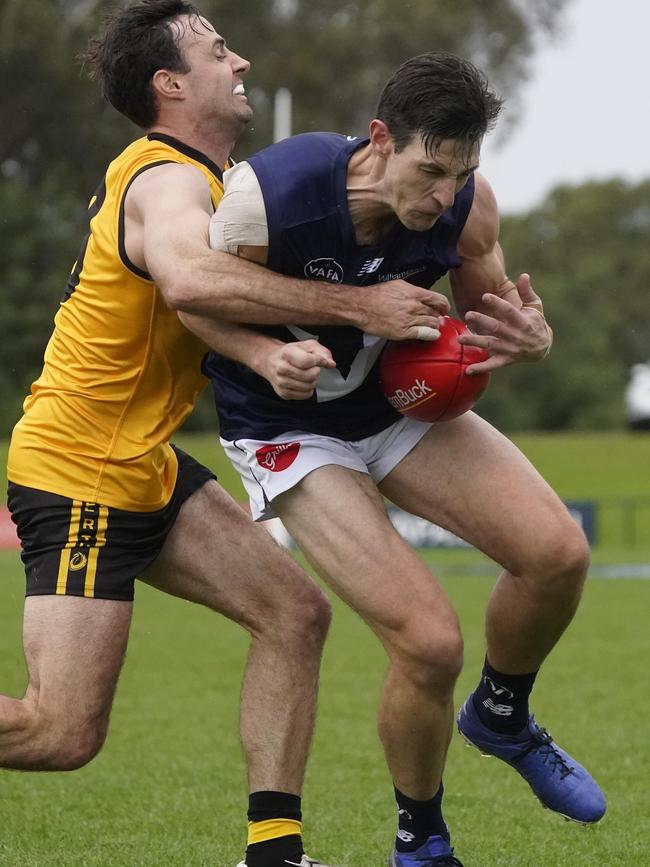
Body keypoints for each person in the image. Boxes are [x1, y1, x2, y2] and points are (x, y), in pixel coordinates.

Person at [4, 4, 445, 866]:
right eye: (216, 52)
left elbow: (195, 302)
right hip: (82, 469)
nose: (238, 60)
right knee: (60, 731)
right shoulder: (166, 179)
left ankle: (273, 852)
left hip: (145, 464)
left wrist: (258, 350)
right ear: (170, 84)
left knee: (294, 612)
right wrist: (362, 307)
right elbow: (186, 274)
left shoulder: (221, 178)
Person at [180, 52, 607, 866]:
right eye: (431, 169)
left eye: (463, 171)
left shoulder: (467, 206)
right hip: (287, 420)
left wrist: (529, 341)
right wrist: (283, 346)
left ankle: (503, 713)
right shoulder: (270, 198)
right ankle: (422, 837)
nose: (444, 194)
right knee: (429, 640)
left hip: (393, 405)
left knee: (558, 555)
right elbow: (192, 296)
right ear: (379, 140)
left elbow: (485, 316)